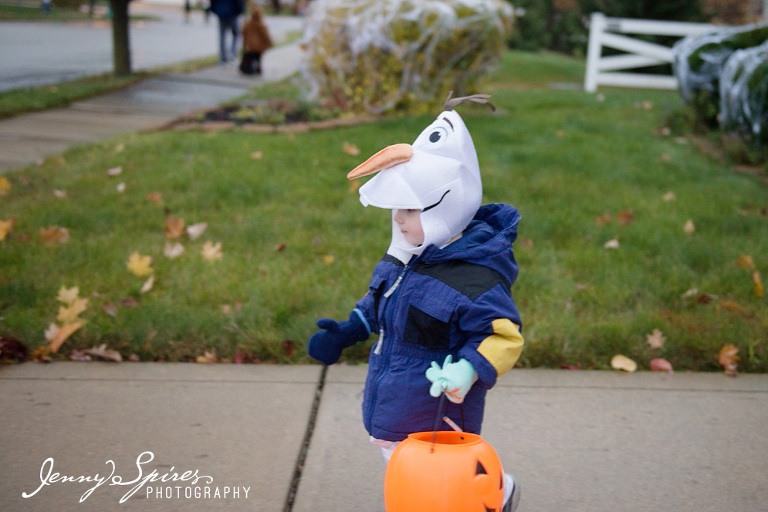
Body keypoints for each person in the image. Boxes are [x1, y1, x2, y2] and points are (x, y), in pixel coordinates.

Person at [307, 94, 524, 512]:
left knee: (433, 481)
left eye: (410, 209)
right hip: (395, 395)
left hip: (437, 407)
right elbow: (381, 302)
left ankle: (493, 493)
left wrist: (468, 369)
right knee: (399, 460)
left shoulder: (474, 279)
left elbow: (502, 337)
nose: (398, 219)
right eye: (397, 209)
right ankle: (495, 491)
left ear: (447, 204)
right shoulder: (407, 257)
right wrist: (350, 329)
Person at [239, 3, 273, 76]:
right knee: (258, 58)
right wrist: (270, 43)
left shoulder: (247, 24)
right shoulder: (262, 26)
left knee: (249, 57)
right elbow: (266, 37)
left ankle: (250, 68)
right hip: (259, 48)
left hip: (249, 47)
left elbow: (243, 33)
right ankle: (257, 68)